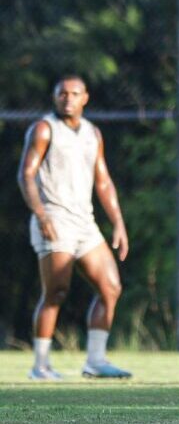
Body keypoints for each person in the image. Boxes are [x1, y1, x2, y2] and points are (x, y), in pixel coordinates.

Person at [17, 75, 131, 380]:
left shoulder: (93, 133)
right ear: (55, 97)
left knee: (110, 287)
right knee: (55, 291)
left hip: (85, 223)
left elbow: (103, 181)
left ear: (85, 98)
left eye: (74, 93)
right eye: (62, 93)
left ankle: (95, 361)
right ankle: (40, 366)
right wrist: (41, 216)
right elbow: (26, 175)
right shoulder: (43, 129)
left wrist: (118, 222)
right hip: (54, 219)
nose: (67, 98)